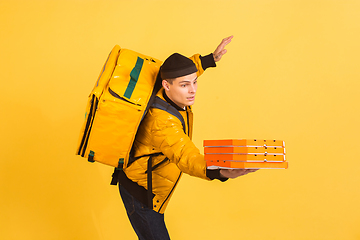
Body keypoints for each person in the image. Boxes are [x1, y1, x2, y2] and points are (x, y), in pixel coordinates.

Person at [113, 36, 258, 240]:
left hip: (144, 185)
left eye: (195, 82)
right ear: (167, 85)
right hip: (142, 195)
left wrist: (209, 60)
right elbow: (186, 157)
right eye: (184, 85)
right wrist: (221, 171)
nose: (192, 90)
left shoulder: (164, 87)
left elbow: (184, 73)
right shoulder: (162, 123)